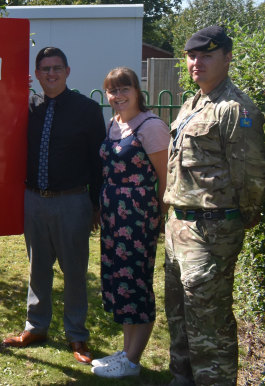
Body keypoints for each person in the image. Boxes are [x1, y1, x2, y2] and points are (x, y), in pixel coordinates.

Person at [164, 26, 265, 386]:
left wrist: (235, 222)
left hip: (211, 230)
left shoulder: (236, 109)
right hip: (178, 226)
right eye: (193, 56)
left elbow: (251, 177)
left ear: (227, 57)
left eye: (207, 55)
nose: (197, 62)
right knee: (179, 316)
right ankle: (182, 379)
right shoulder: (193, 102)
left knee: (209, 323)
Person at [3, 46, 106, 365]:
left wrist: (95, 205)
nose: (51, 73)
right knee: (37, 268)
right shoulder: (27, 105)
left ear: (67, 71)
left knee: (74, 271)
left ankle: (77, 335)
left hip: (72, 202)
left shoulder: (87, 109)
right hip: (33, 199)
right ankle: (36, 327)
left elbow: (97, 160)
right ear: (36, 74)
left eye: (57, 68)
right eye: (45, 68)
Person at [92, 67, 170, 378]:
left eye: (124, 89)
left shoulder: (151, 127)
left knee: (136, 285)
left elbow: (165, 178)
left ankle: (134, 361)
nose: (118, 96)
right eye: (112, 91)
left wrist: (162, 219)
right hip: (113, 216)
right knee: (120, 283)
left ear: (137, 91)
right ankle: (126, 353)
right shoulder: (115, 123)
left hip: (137, 218)